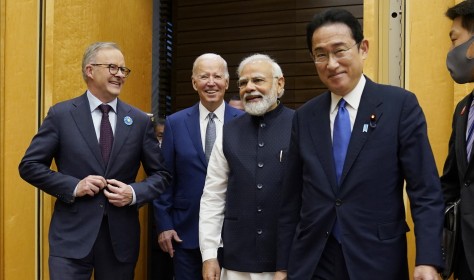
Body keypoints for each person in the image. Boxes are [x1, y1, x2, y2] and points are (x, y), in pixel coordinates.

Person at [275, 8, 445, 280]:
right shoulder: (305, 116)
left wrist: (428, 259)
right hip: (314, 260)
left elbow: (424, 190)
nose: (331, 63)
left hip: (377, 258)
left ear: (363, 48)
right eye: (321, 54)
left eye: (339, 50)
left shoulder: (399, 105)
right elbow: (291, 198)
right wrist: (282, 266)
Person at [18, 42, 171, 280]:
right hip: (70, 239)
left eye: (123, 70)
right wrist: (73, 186)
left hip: (119, 241)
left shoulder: (140, 121)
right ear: (90, 70)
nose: (120, 75)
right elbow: (29, 166)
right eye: (113, 68)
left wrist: (133, 192)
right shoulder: (61, 115)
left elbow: (162, 175)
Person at [199, 54, 294, 280]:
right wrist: (209, 255)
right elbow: (213, 196)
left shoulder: (299, 125)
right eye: (243, 83)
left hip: (285, 260)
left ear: (279, 84)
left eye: (258, 80)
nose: (249, 88)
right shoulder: (229, 131)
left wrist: (289, 262)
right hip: (236, 260)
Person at [153, 53, 244, 280]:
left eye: (217, 76)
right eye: (204, 76)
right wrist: (164, 224)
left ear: (227, 82)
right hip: (185, 232)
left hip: (233, 232)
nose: (211, 82)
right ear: (194, 83)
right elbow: (165, 177)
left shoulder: (244, 122)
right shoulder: (175, 123)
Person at [441, 1, 474, 279]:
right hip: (465, 260)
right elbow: (452, 182)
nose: (451, 53)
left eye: (455, 40)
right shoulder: (463, 109)